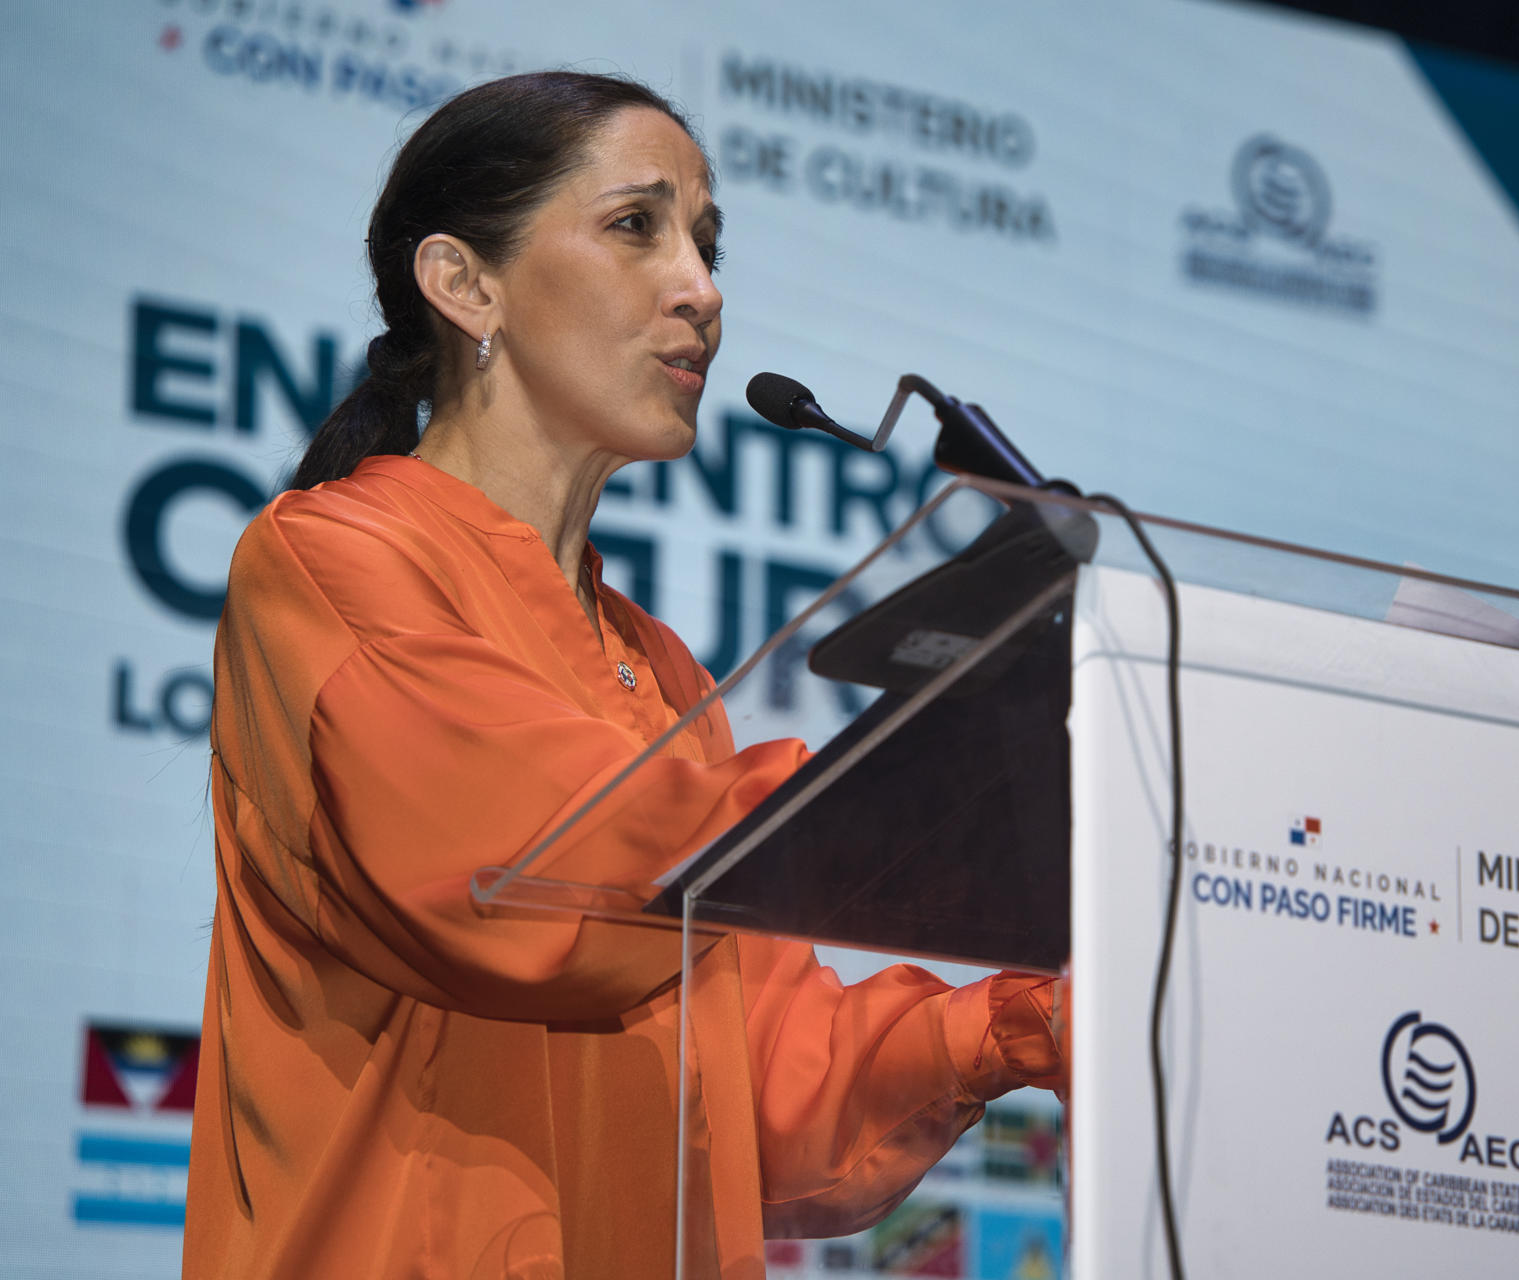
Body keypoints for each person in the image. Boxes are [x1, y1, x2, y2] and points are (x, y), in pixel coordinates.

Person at [182, 71, 1062, 1278]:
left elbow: (773, 1103)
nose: (701, 288)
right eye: (634, 226)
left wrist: (1021, 1025)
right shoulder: (331, 559)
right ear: (463, 282)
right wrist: (921, 782)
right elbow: (522, 869)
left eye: (705, 242)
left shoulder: (662, 672)